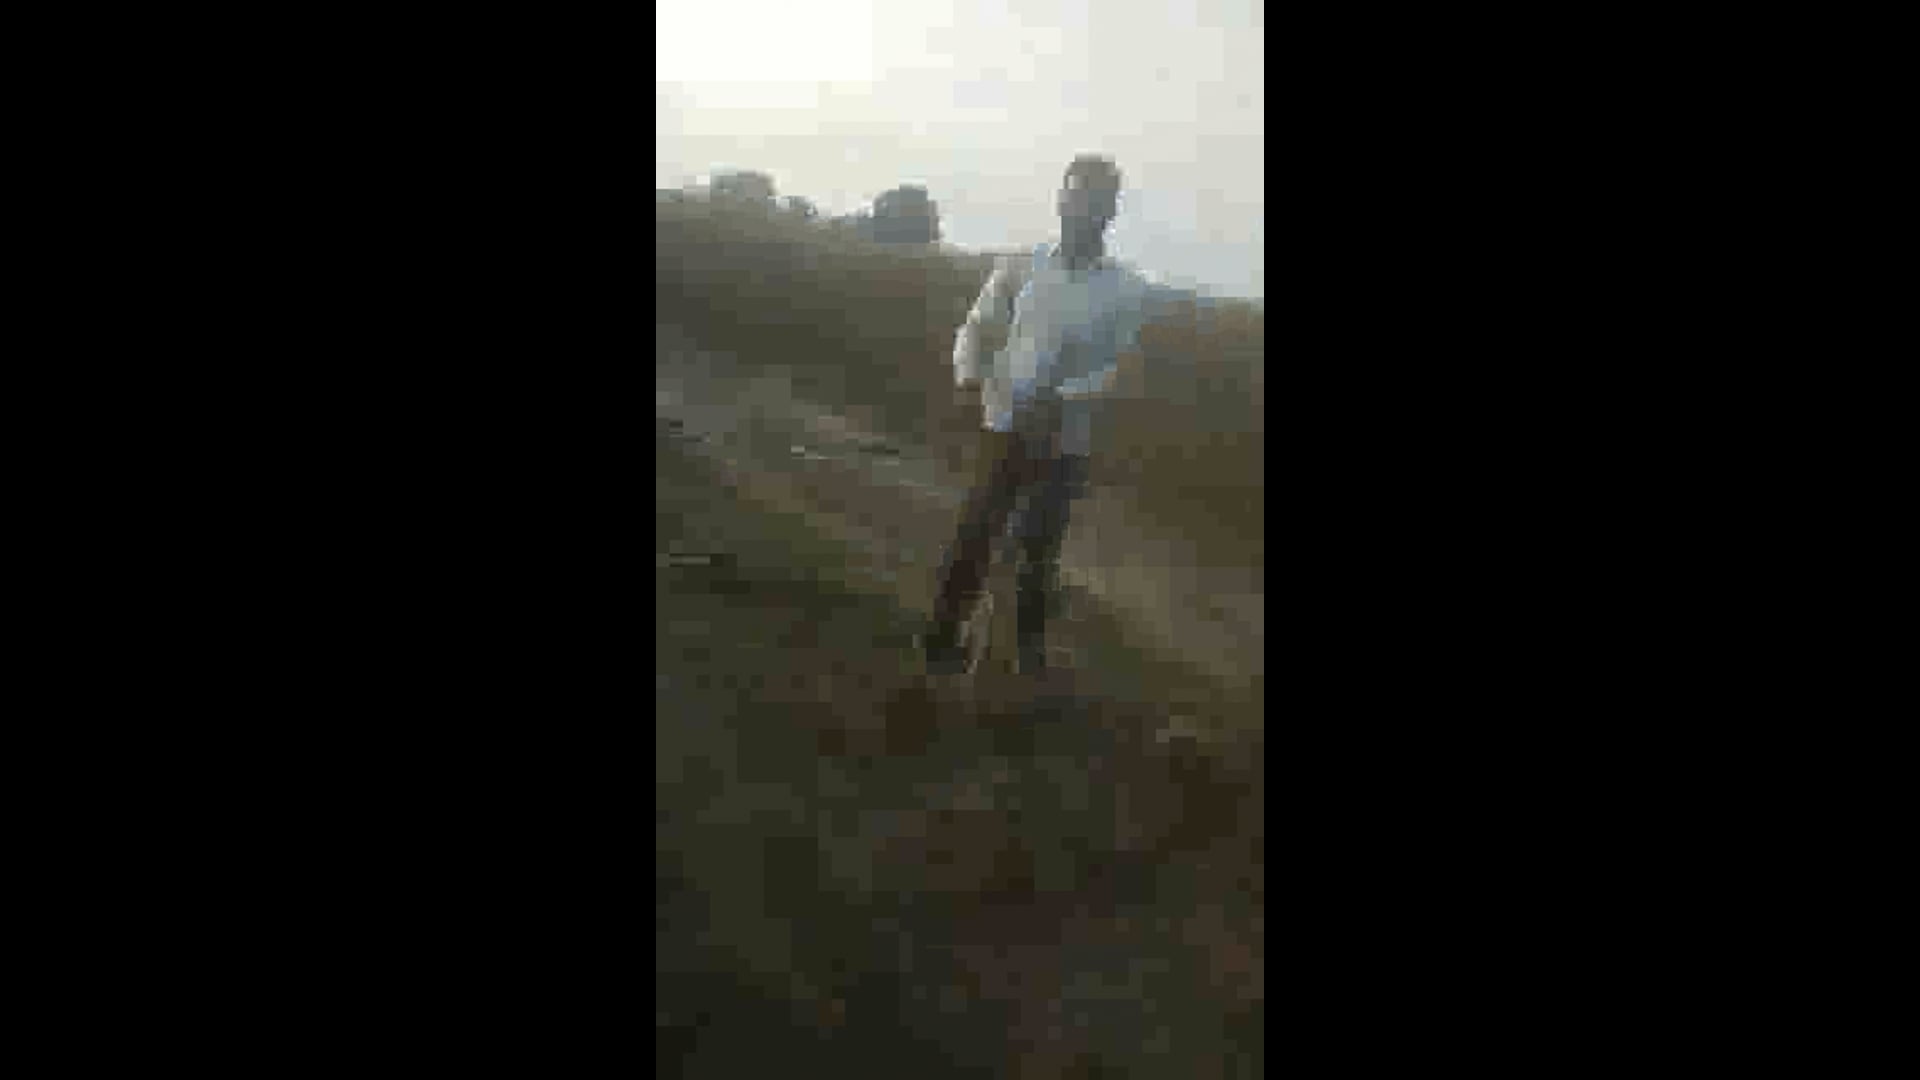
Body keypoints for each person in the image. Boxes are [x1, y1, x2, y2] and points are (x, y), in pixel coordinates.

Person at [924, 154, 1166, 679]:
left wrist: (1062, 399)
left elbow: (1121, 367)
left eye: (1096, 201)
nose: (1083, 210)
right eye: (1075, 197)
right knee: (976, 534)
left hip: (1065, 441)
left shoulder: (1127, 290)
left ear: (1110, 211)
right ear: (1061, 200)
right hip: (1004, 425)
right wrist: (967, 379)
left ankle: (1027, 655)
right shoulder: (1020, 266)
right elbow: (975, 327)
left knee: (1039, 547)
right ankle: (942, 642)